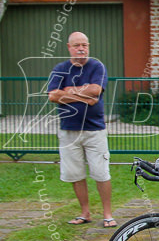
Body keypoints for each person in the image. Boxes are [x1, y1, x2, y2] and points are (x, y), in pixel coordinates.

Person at [47, 31, 114, 227]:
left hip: (94, 130)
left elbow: (96, 91)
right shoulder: (60, 69)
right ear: (69, 47)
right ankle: (85, 213)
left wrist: (68, 91)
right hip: (69, 130)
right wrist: (83, 96)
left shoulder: (96, 66)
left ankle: (107, 214)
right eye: (77, 45)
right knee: (75, 173)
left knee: (101, 172)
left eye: (84, 45)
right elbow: (53, 96)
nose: (81, 48)